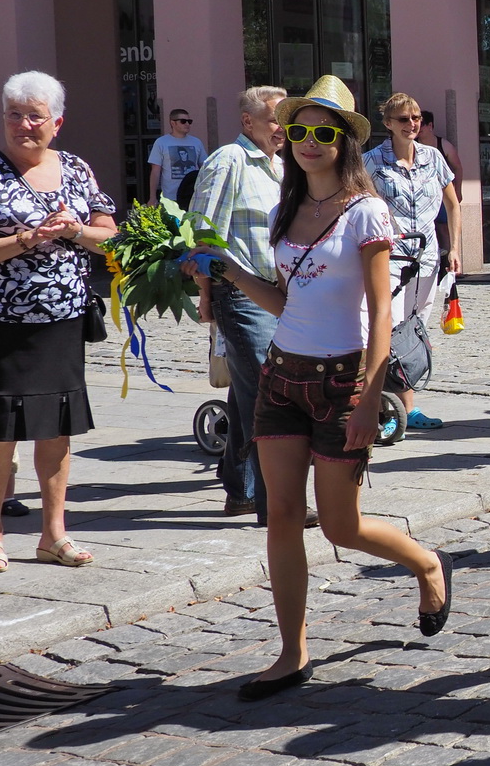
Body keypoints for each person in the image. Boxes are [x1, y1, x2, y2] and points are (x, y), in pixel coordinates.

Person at [191, 76, 450, 700]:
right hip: (283, 375)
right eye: (298, 130)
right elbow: (287, 300)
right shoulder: (289, 207)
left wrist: (370, 395)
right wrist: (226, 269)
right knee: (280, 515)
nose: (307, 141)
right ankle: (291, 651)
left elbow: (382, 313)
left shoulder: (366, 211)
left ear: (344, 142)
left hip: (344, 380)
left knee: (340, 527)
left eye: (322, 132)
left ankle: (427, 564)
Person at [0, 71, 117, 571]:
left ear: (57, 122)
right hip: (5, 322)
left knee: (56, 429)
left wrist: (76, 230)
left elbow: (110, 235)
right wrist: (27, 239)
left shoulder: (75, 168)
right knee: (1, 431)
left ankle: (53, 535)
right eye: (13, 114)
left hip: (63, 319)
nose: (23, 124)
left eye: (34, 115)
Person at [191, 87, 293, 525]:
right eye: (274, 120)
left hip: (281, 293)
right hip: (241, 292)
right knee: (265, 396)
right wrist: (208, 294)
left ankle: (240, 489)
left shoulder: (283, 166)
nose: (282, 129)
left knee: (248, 390)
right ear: (247, 122)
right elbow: (202, 233)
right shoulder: (228, 160)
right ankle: (278, 504)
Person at [363, 93, 462, 429]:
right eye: (403, 119)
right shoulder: (373, 162)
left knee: (413, 333)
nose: (412, 124)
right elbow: (361, 206)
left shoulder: (433, 158)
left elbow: (453, 205)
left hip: (428, 258)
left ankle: (408, 408)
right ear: (388, 123)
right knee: (386, 331)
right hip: (390, 259)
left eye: (416, 118)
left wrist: (456, 249)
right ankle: (382, 409)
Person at [416, 110, 464, 325]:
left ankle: (447, 265)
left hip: (442, 195)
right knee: (430, 230)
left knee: (443, 229)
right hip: (423, 201)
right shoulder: (412, 146)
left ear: (430, 125)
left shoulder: (442, 146)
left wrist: (458, 189)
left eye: (421, 123)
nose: (418, 127)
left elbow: (457, 167)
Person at [147, 108, 207, 207]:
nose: (187, 124)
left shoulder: (196, 142)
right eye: (183, 121)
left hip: (193, 195)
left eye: (189, 121)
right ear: (173, 123)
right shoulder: (161, 142)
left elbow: (204, 168)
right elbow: (155, 171)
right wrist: (152, 197)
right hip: (170, 197)